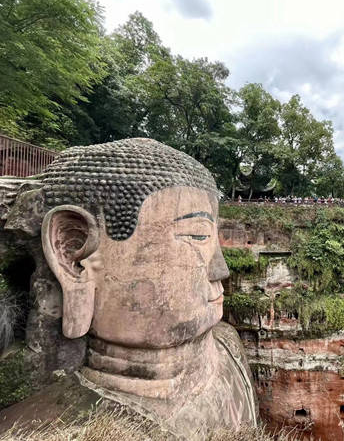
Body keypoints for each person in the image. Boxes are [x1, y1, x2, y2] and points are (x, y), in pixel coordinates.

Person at [0, 138, 258, 439]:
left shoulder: (228, 345)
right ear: (72, 252)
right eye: (197, 236)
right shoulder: (49, 430)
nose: (221, 270)